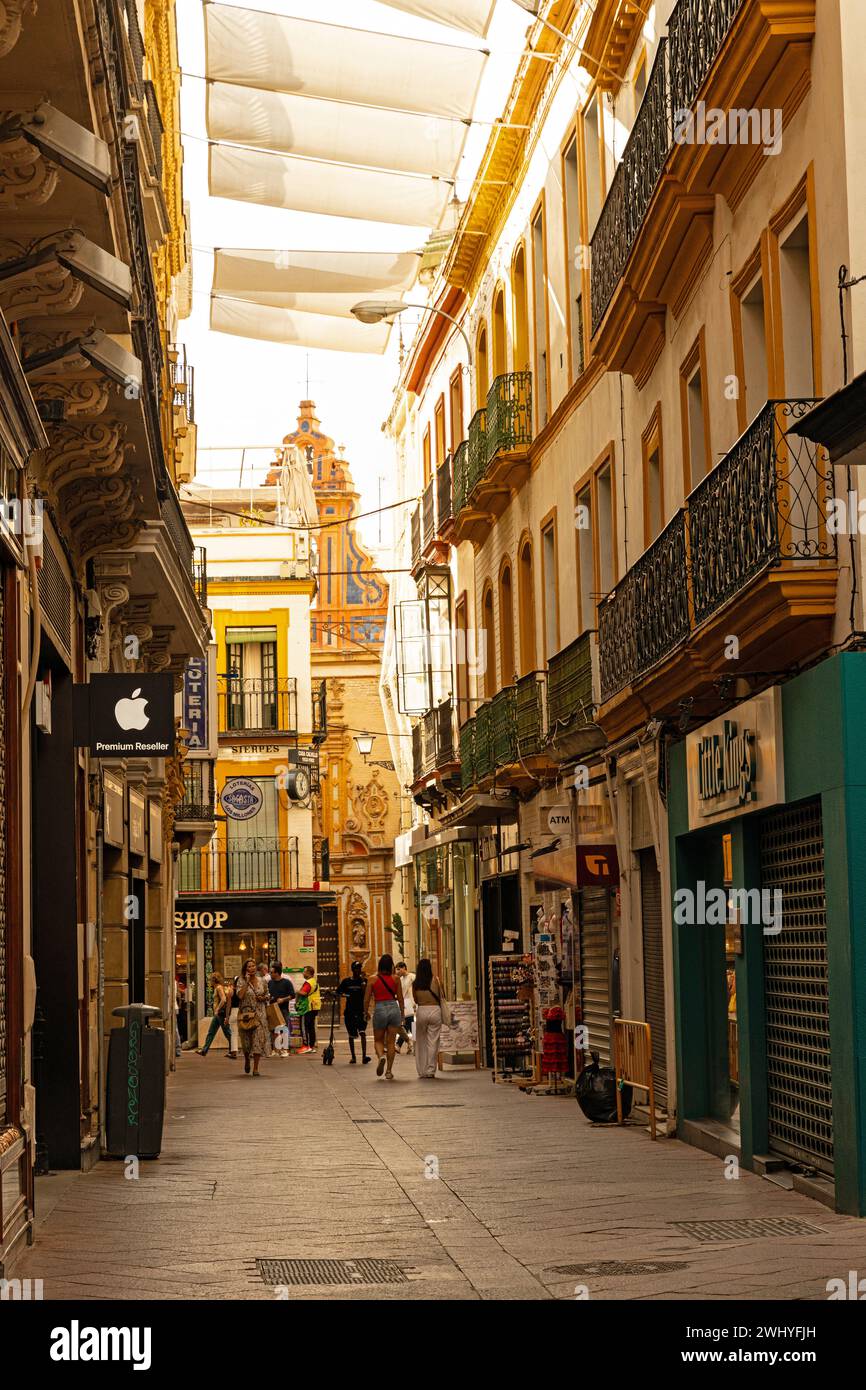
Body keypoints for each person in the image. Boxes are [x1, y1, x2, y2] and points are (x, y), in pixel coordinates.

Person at [364, 954, 403, 1081]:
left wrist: (365, 1012)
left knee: (378, 1040)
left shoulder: (372, 979)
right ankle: (389, 1071)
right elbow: (400, 998)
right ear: (391, 965)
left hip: (380, 1008)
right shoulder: (396, 979)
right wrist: (402, 1013)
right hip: (393, 1008)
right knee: (391, 1042)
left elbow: (366, 999)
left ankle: (381, 1056)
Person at [236, 958, 270, 1076]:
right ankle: (246, 1059)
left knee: (257, 1041)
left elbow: (267, 994)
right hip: (246, 1015)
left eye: (253, 966)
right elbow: (240, 996)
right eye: (249, 966)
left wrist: (264, 998)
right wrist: (246, 981)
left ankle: (256, 1068)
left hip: (260, 1014)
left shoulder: (262, 981)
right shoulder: (240, 980)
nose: (252, 968)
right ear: (245, 969)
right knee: (246, 1043)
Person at [412, 957, 444, 1079]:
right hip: (435, 1010)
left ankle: (422, 1070)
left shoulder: (416, 983)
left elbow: (415, 1000)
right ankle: (431, 1070)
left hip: (422, 1011)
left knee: (420, 1041)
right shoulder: (436, 980)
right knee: (433, 1042)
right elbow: (442, 995)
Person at [336, 962, 370, 1064]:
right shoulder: (346, 981)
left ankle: (364, 1056)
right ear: (352, 969)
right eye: (356, 968)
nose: (358, 970)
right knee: (351, 1035)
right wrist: (345, 995)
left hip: (361, 1010)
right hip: (350, 1010)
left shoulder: (364, 981)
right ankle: (353, 1056)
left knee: (363, 1033)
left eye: (359, 968)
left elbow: (368, 994)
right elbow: (339, 992)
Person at [197, 974, 237, 1058]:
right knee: (211, 1032)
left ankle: (233, 1050)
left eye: (210, 980)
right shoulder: (218, 987)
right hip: (218, 1014)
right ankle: (204, 1050)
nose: (209, 981)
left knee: (227, 1033)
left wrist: (217, 1009)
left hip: (220, 1014)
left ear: (213, 980)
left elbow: (223, 999)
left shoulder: (218, 988)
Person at [268, 962, 294, 1057]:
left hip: (283, 1009)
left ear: (277, 973)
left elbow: (292, 995)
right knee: (273, 1030)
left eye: (272, 972)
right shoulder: (270, 983)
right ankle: (275, 1050)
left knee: (284, 1029)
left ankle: (285, 1050)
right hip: (272, 1009)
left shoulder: (286, 982)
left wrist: (283, 999)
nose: (270, 974)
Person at [295, 965, 321, 1053]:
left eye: (304, 971)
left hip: (307, 1007)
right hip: (315, 1006)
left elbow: (304, 992)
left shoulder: (308, 982)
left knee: (304, 1026)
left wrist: (296, 991)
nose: (303, 973)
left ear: (309, 973)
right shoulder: (314, 981)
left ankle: (306, 1046)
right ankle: (312, 1046)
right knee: (311, 1027)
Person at [395, 961, 415, 1055]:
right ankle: (411, 1044)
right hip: (404, 1004)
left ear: (404, 968)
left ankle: (400, 1045)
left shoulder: (412, 976)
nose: (398, 971)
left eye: (399, 969)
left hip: (411, 1003)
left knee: (408, 1024)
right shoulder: (400, 979)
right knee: (408, 1024)